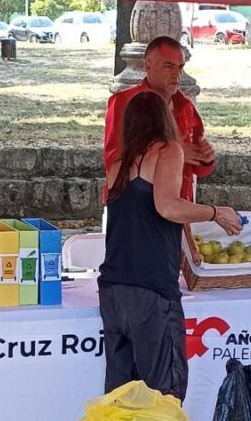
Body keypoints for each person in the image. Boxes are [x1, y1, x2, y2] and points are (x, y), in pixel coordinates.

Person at [99, 91, 241, 400]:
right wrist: (215, 213)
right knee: (165, 394)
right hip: (151, 289)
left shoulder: (117, 164)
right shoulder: (168, 151)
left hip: (113, 289)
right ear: (163, 119)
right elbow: (167, 206)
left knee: (122, 396)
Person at [103, 36, 214, 204]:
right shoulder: (124, 102)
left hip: (177, 207)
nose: (177, 74)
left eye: (180, 67)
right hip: (135, 206)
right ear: (148, 66)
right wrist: (171, 155)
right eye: (169, 66)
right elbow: (113, 160)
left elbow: (199, 167)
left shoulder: (186, 107)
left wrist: (205, 159)